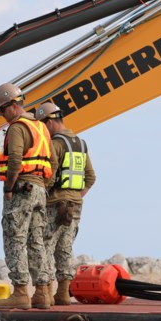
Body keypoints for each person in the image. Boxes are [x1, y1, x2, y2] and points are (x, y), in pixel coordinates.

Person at [0, 82, 54, 310]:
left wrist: (8, 188)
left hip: (22, 189)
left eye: (1, 110)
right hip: (40, 190)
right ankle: (42, 293)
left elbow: (15, 160)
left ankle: (20, 292)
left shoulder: (17, 128)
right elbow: (53, 163)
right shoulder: (41, 128)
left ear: (11, 105)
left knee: (15, 237)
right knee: (36, 241)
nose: (2, 115)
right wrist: (42, 185)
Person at [34, 101, 96, 305]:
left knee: (43, 245)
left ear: (50, 121)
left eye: (42, 124)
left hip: (55, 203)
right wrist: (75, 196)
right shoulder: (81, 143)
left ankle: (43, 293)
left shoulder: (56, 144)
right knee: (65, 248)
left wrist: (42, 193)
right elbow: (91, 177)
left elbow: (50, 175)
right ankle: (62, 294)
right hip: (75, 204)